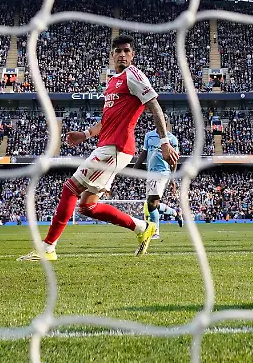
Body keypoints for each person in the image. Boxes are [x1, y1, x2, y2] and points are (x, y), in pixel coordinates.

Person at [19, 35, 178, 262]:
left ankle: (47, 248)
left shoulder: (133, 75)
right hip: (106, 146)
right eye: (118, 51)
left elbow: (154, 106)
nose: (122, 54)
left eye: (126, 51)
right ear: (112, 55)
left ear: (132, 55)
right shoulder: (113, 81)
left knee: (69, 189)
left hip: (116, 147)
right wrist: (85, 134)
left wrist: (164, 142)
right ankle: (142, 227)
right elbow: (106, 121)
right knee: (87, 207)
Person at [134, 117, 182, 240]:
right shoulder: (149, 136)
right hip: (150, 174)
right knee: (152, 204)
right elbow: (144, 153)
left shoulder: (172, 139)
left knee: (151, 203)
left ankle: (155, 232)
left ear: (166, 123)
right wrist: (135, 168)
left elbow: (174, 160)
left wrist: (172, 178)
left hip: (163, 173)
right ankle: (175, 213)